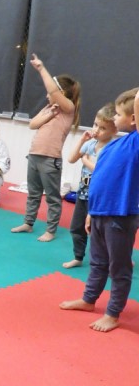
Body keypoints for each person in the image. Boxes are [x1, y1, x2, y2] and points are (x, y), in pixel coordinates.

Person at [60, 88, 139, 332]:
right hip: (99, 213)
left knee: (119, 267)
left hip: (120, 216)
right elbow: (100, 181)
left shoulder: (135, 142)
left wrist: (136, 98)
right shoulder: (116, 145)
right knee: (97, 262)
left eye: (118, 114)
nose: (114, 118)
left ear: (133, 118)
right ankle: (89, 299)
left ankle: (113, 314)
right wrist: (91, 212)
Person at [11, 53, 81, 242]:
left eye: (50, 93)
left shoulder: (68, 109)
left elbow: (53, 90)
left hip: (50, 160)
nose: (46, 95)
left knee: (52, 197)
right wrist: (49, 114)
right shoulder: (49, 108)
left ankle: (51, 230)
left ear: (61, 93)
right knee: (33, 193)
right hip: (34, 155)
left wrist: (41, 68)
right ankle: (28, 223)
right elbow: (32, 124)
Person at [62, 104, 117, 269]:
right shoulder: (90, 144)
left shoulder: (112, 148)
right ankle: (78, 257)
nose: (97, 130)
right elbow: (71, 159)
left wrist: (85, 161)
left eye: (103, 128)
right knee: (77, 227)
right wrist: (82, 140)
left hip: (101, 198)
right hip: (83, 195)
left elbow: (103, 171)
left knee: (101, 232)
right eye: (95, 125)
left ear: (114, 130)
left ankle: (115, 259)